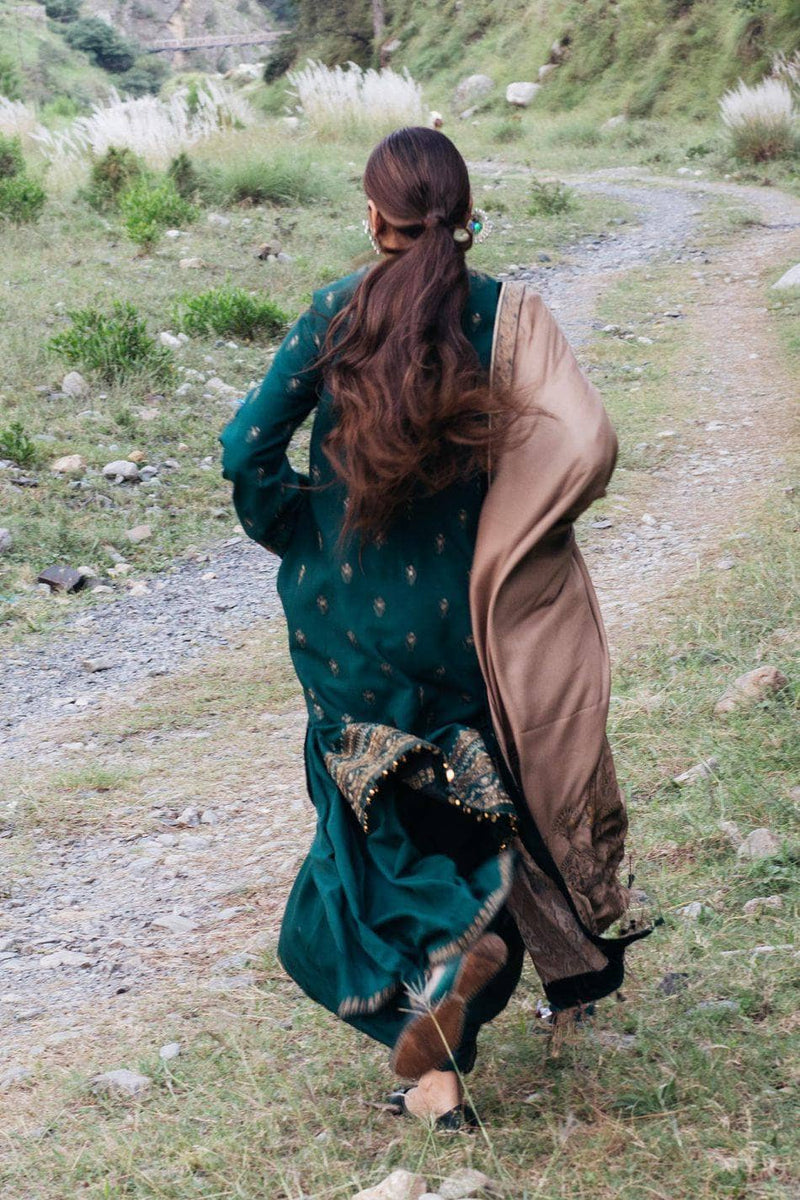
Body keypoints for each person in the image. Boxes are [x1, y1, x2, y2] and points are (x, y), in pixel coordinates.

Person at [221, 127, 641, 1130]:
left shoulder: (335, 313)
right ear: (463, 213)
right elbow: (585, 440)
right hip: (465, 624)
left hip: (346, 629)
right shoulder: (501, 317)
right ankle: (448, 1047)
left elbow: (246, 449)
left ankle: (441, 1023)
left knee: (366, 836)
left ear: (373, 217)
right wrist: (524, 536)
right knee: (463, 812)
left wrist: (302, 534)